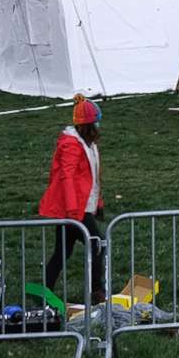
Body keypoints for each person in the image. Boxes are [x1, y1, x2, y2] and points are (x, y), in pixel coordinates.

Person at [38, 94, 108, 302]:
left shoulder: (88, 145)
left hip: (79, 207)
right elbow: (66, 177)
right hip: (75, 209)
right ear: (89, 125)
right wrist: (71, 211)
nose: (99, 126)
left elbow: (93, 176)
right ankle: (97, 291)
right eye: (96, 122)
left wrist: (99, 202)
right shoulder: (72, 145)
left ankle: (43, 291)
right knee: (97, 243)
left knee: (62, 252)